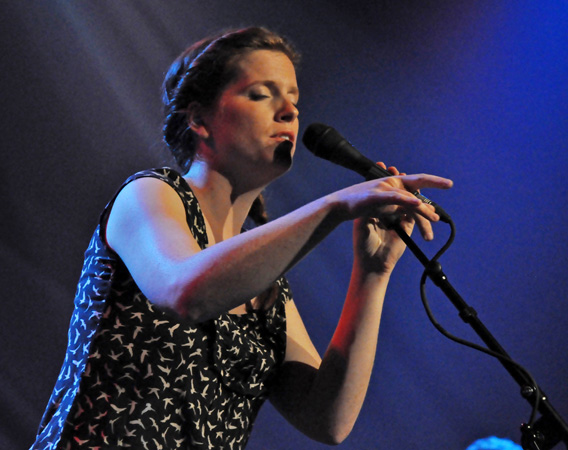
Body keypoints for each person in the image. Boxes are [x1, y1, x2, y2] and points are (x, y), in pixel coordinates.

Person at [30, 26, 453, 449]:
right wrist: (336, 206)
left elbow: (328, 419)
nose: (288, 110)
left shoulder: (265, 285)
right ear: (199, 119)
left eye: (294, 99)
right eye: (260, 94)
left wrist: (373, 272)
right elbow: (186, 292)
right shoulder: (149, 194)